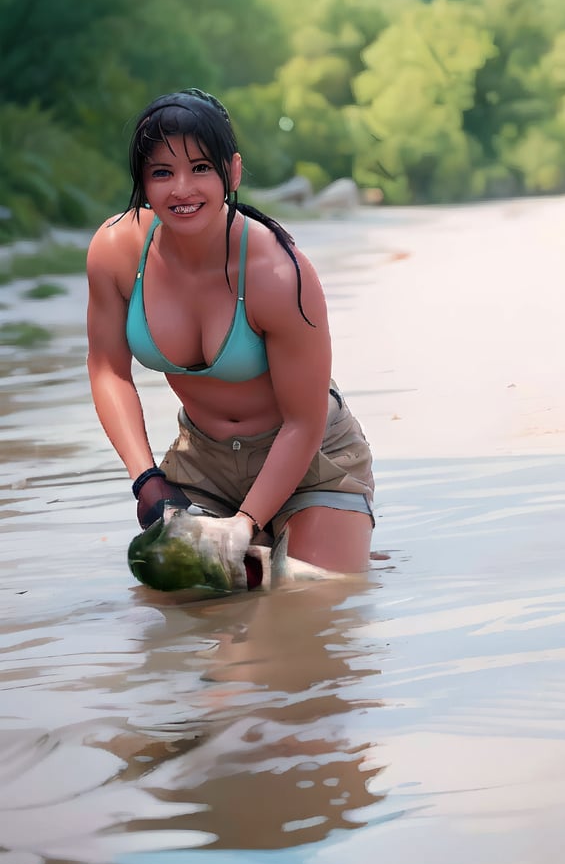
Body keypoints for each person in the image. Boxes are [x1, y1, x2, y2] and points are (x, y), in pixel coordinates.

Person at [86, 88, 375, 585]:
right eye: (161, 172)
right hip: (202, 464)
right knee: (167, 619)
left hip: (311, 457)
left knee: (304, 603)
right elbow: (108, 370)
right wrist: (146, 479)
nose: (182, 189)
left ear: (233, 172)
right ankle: (271, 544)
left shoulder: (278, 273)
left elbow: (303, 424)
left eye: (201, 168)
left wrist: (243, 525)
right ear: (142, 181)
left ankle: (320, 530)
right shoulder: (116, 252)